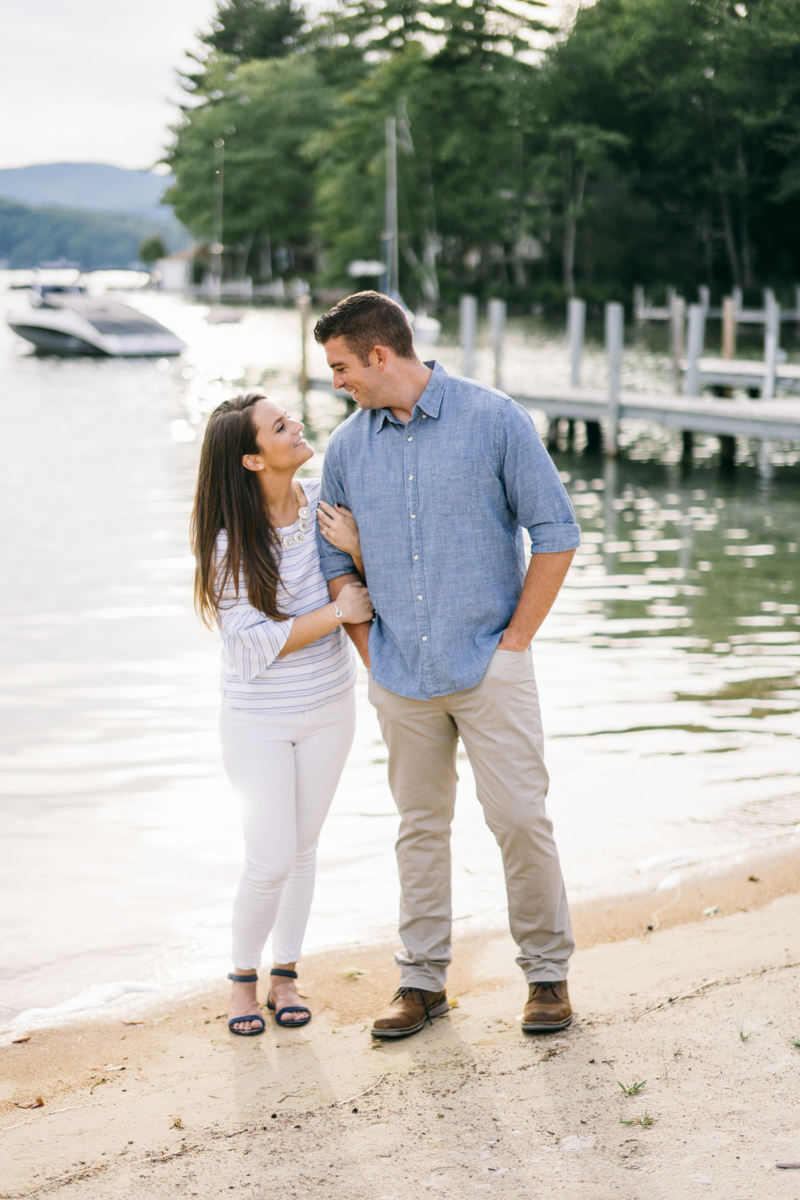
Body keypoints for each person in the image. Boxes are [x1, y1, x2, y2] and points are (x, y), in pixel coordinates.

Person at [314, 292, 580, 1040]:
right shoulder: (346, 449)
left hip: (490, 662)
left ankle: (546, 977)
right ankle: (421, 983)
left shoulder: (493, 419)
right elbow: (334, 561)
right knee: (419, 828)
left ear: (378, 355)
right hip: (400, 676)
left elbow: (557, 533)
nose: (336, 382)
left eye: (340, 367)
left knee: (522, 820)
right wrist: (373, 655)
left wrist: (515, 643)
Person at [191, 391, 373, 1035]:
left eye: (289, 417)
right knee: (268, 857)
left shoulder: (327, 500)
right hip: (258, 719)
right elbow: (248, 640)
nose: (297, 426)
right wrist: (336, 615)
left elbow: (371, 570)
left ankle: (286, 973)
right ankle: (242, 979)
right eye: (279, 425)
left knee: (303, 849)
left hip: (329, 705)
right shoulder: (226, 540)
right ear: (250, 458)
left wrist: (355, 545)